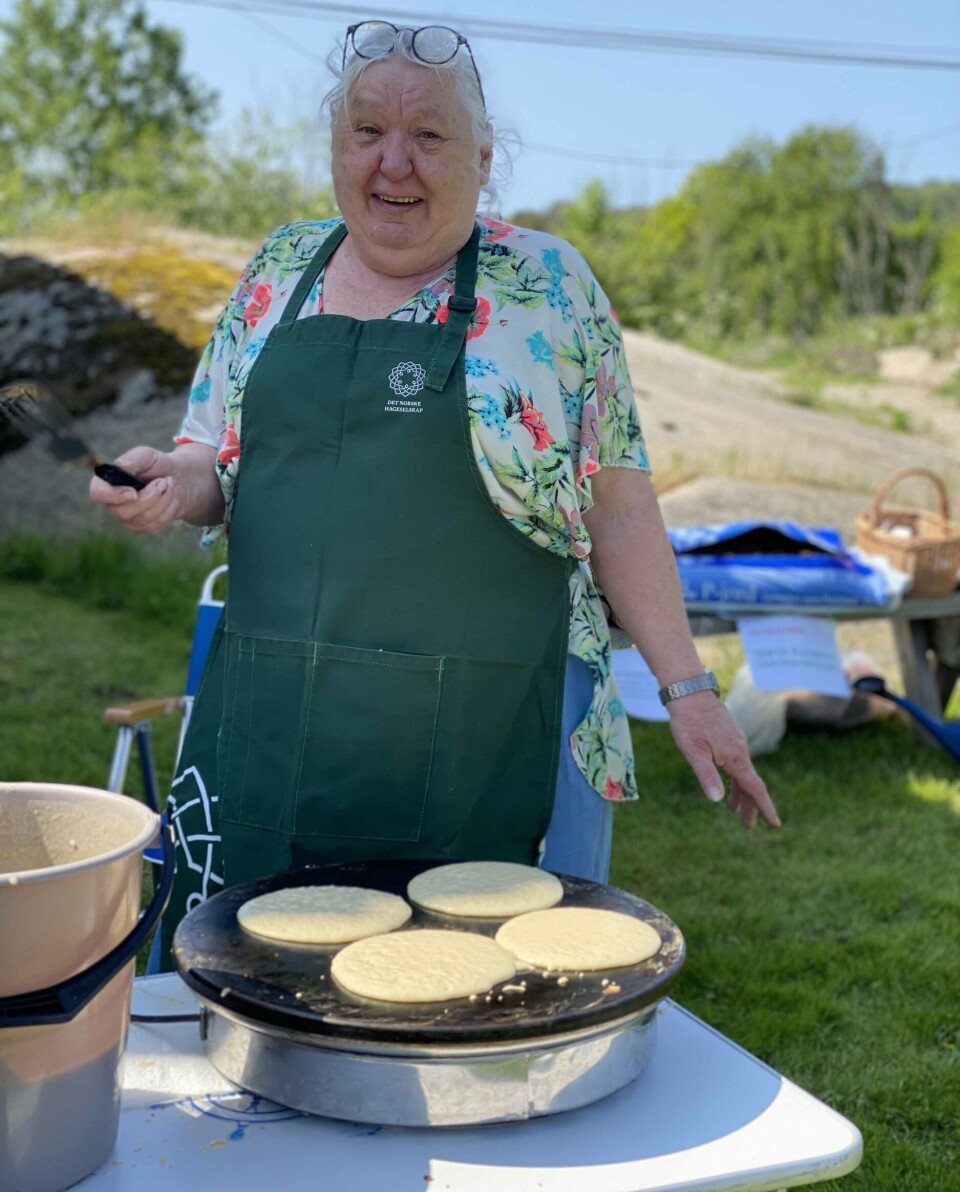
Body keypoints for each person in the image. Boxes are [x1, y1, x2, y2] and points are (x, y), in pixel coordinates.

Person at [90, 20, 779, 964]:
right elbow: (214, 461)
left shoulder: (548, 288)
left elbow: (617, 505)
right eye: (367, 132)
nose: (394, 163)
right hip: (270, 729)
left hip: (486, 739)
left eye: (430, 136)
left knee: (485, 1004)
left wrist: (690, 689)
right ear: (336, 148)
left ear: (486, 157)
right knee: (241, 997)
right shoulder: (275, 274)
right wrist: (172, 479)